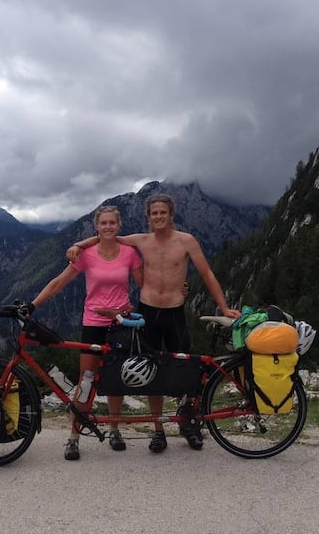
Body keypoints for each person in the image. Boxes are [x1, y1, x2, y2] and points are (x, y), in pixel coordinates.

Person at [67, 193, 240, 453]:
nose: (159, 217)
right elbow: (107, 236)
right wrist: (79, 244)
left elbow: (206, 273)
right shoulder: (141, 241)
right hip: (147, 313)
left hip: (174, 313)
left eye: (163, 212)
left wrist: (223, 306)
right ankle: (158, 431)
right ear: (148, 217)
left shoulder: (186, 241)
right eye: (154, 213)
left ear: (171, 215)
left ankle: (189, 425)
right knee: (151, 371)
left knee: (186, 370)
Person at [31, 206, 143, 461]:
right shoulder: (86, 254)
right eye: (103, 223)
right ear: (97, 226)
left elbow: (145, 285)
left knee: (117, 379)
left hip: (121, 324)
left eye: (112, 223)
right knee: (86, 379)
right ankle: (74, 437)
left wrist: (175, 291)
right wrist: (33, 305)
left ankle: (114, 430)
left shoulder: (129, 253)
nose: (108, 227)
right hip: (93, 323)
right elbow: (59, 282)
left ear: (119, 225)